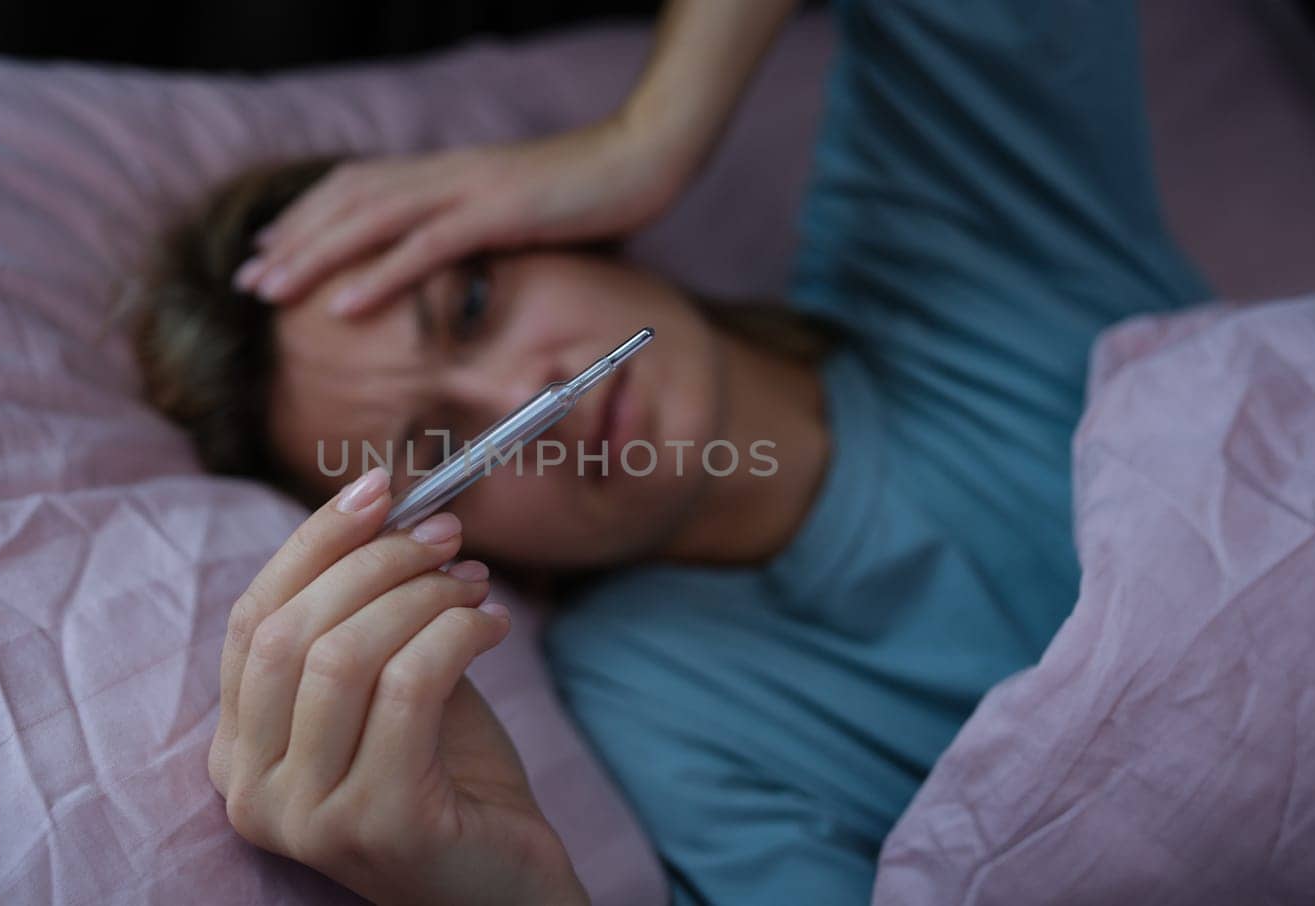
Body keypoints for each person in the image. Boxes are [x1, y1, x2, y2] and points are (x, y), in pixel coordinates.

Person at [130, 0, 1209, 902]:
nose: (529, 400)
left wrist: (645, 138)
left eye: (468, 303)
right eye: (440, 448)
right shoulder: (658, 705)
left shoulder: (958, 233)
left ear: (541, 219)